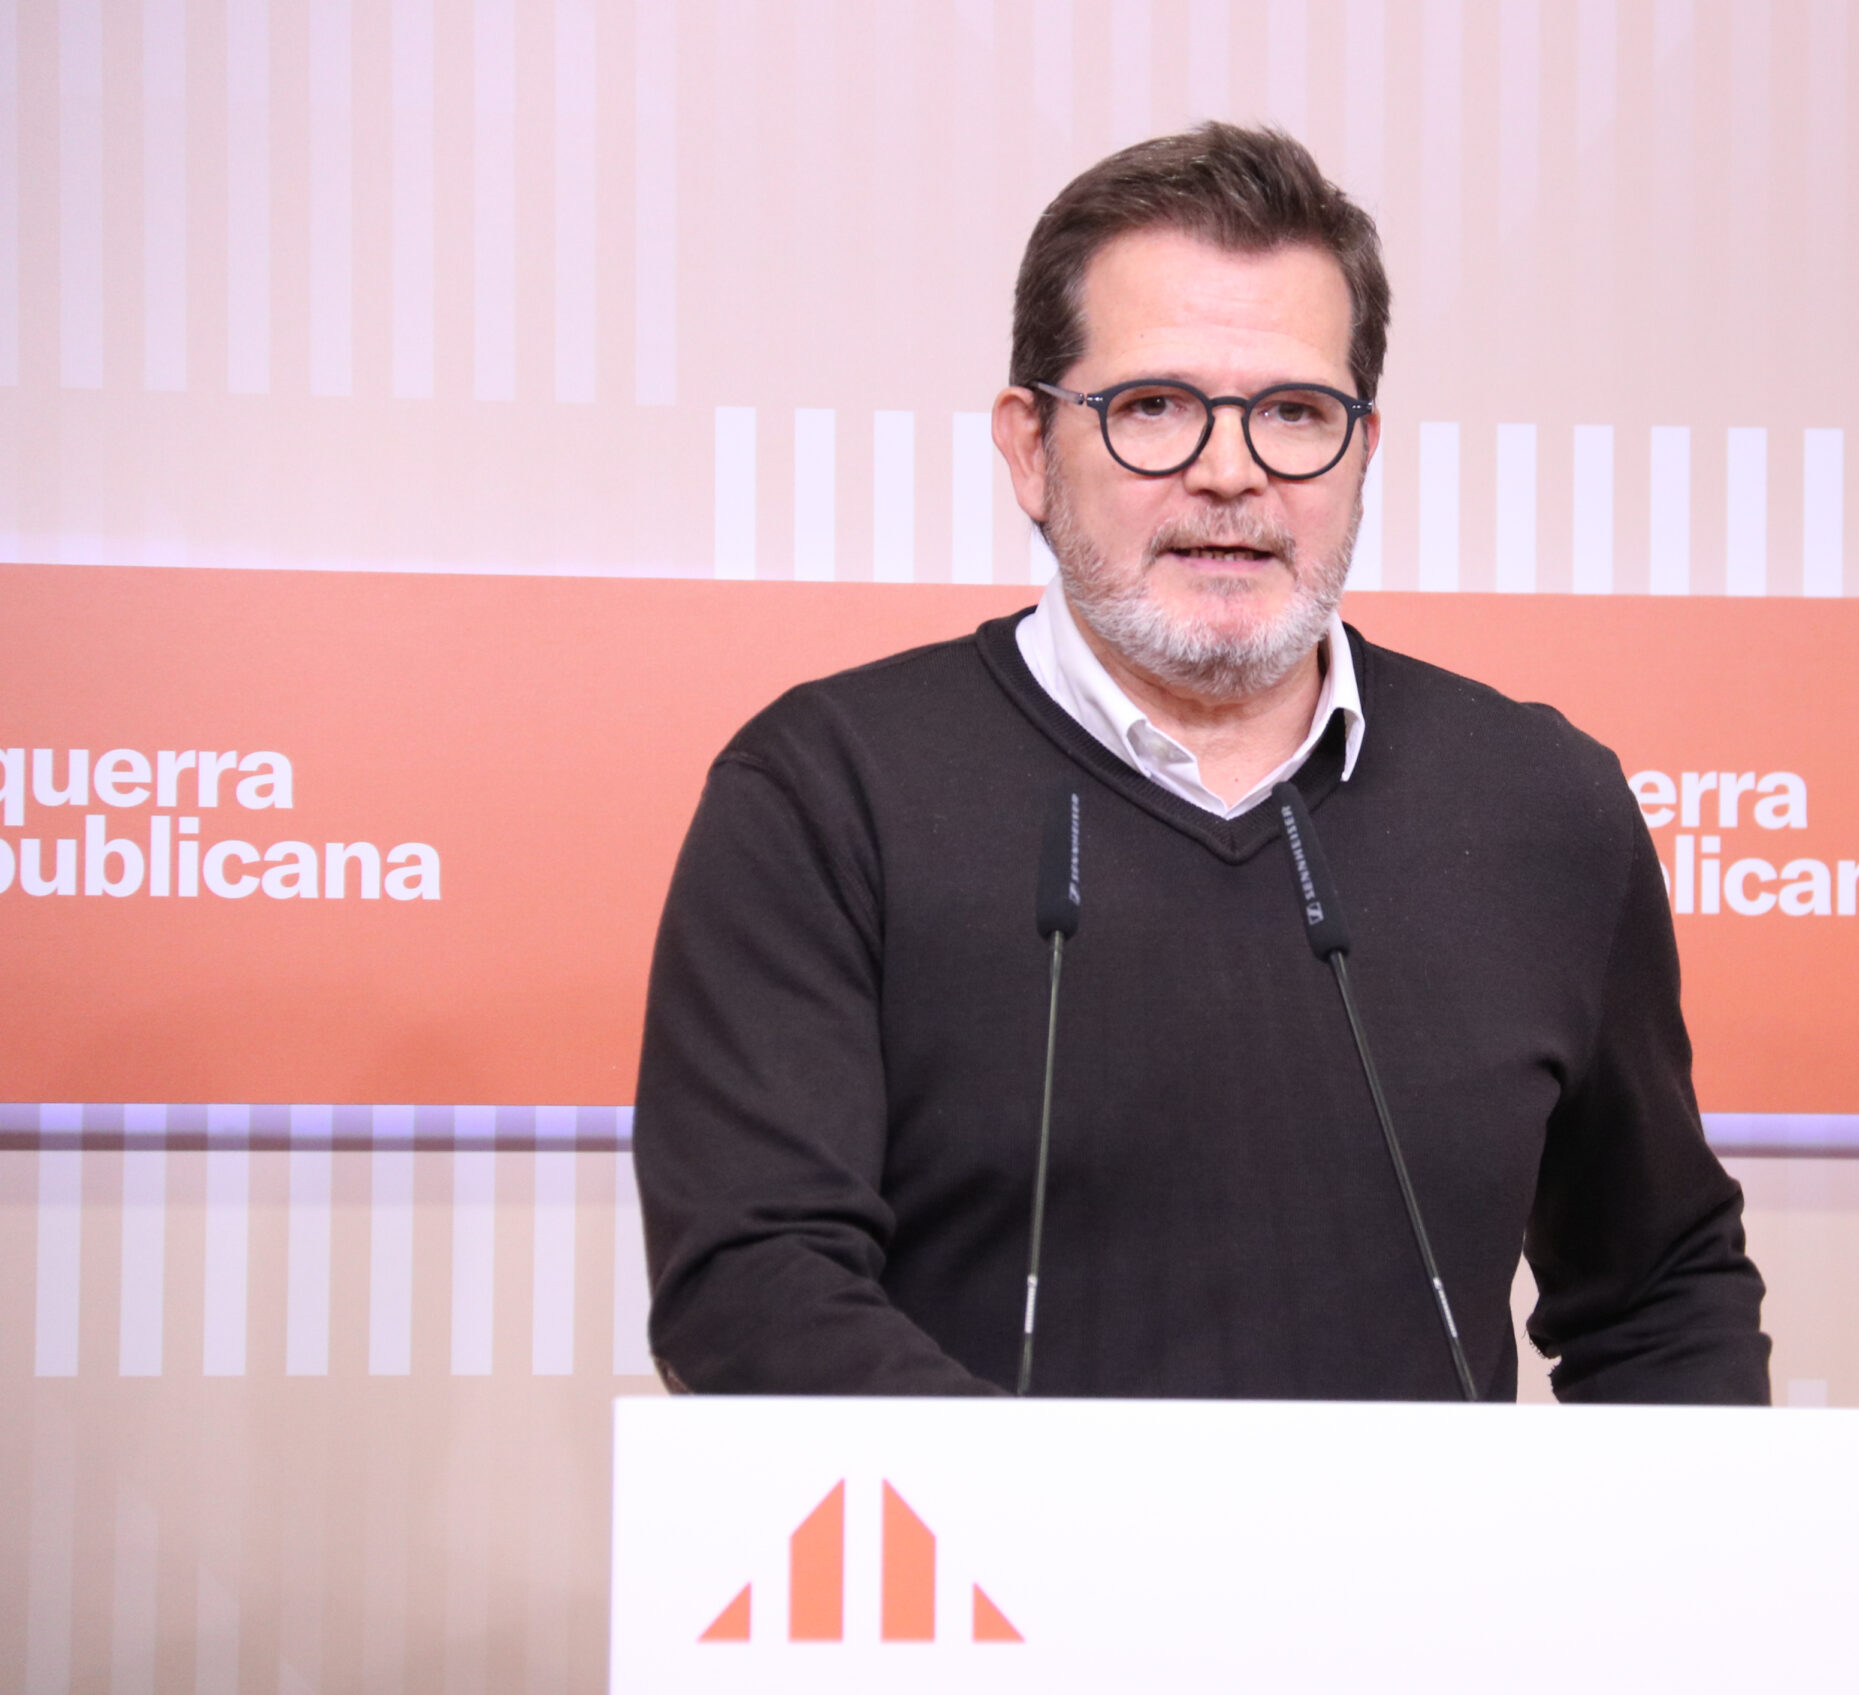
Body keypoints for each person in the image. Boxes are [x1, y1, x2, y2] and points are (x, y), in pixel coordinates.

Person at [635, 124, 1769, 1404]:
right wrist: (1077, 1520)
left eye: (1294, 413)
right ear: (1028, 446)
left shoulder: (1542, 803)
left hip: (1424, 1550)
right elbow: (754, 1287)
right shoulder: (828, 790)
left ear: (1363, 451)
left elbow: (1662, 1291)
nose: (1230, 474)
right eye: (1154, 408)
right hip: (988, 1543)